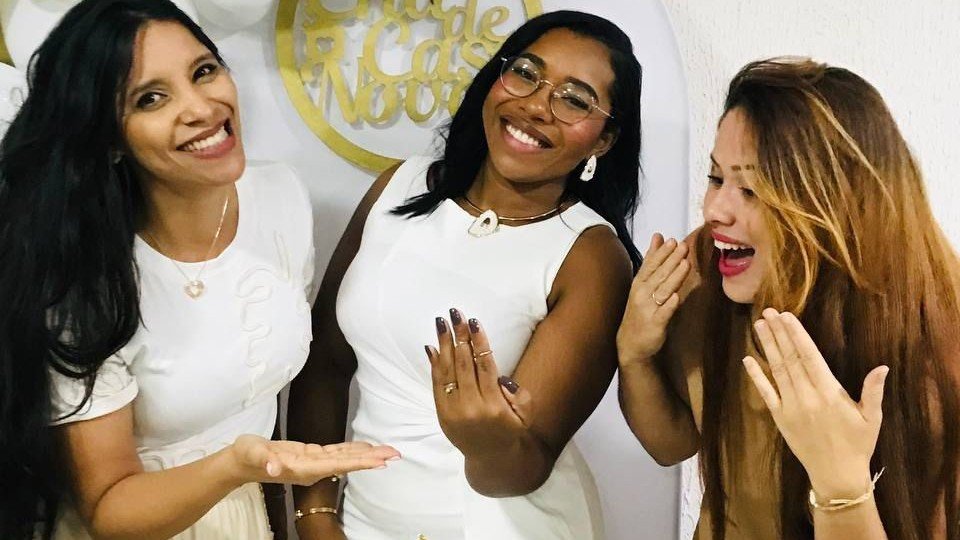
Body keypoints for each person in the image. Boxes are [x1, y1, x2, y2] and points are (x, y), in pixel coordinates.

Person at [0, 1, 398, 538]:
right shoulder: (82, 273)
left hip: (245, 512)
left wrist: (278, 501)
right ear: (110, 138)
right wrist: (238, 465)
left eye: (204, 71)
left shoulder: (279, 195)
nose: (201, 108)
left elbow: (265, 392)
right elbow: (110, 508)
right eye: (151, 98)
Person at [287, 10, 644, 540]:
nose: (535, 106)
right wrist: (316, 517)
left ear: (604, 140)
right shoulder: (401, 186)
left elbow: (523, 469)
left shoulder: (591, 255)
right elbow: (324, 364)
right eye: (526, 73)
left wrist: (484, 437)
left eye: (574, 100)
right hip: (361, 521)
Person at [617, 57, 960, 539]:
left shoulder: (939, 342)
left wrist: (841, 485)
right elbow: (670, 444)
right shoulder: (706, 268)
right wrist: (634, 354)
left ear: (838, 203)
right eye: (716, 178)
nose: (715, 210)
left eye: (752, 189)